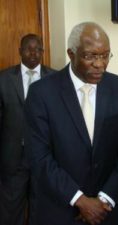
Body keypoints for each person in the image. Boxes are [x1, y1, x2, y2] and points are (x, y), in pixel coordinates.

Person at [24, 22, 118, 225]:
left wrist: (103, 199)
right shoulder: (42, 93)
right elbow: (39, 157)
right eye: (90, 56)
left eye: (105, 55)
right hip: (58, 212)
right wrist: (80, 200)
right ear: (71, 54)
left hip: (107, 212)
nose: (99, 63)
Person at [0, 33, 56, 225]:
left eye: (37, 49)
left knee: (42, 210)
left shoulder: (55, 79)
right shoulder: (4, 79)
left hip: (46, 159)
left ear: (42, 51)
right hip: (13, 159)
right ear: (19, 52)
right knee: (10, 213)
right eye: (28, 49)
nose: (33, 53)